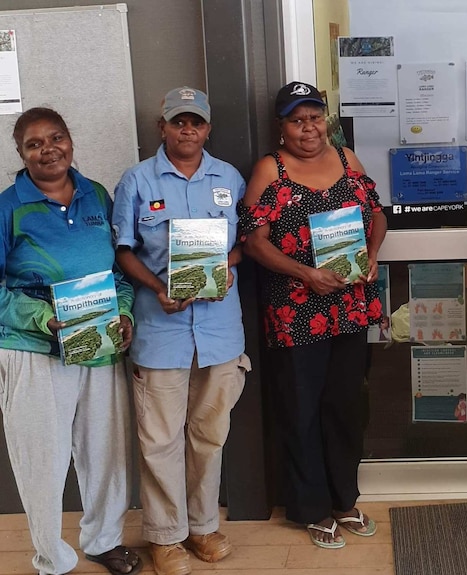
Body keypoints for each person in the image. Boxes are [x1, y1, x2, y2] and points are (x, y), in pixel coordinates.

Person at [240, 81, 386, 549]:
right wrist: (306, 273)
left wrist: (372, 251)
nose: (309, 128)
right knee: (300, 409)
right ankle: (311, 507)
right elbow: (254, 241)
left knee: (345, 407)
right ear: (281, 127)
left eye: (315, 117)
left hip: (348, 306)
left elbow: (376, 214)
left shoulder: (347, 161)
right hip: (297, 311)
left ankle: (344, 500)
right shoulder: (270, 169)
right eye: (297, 120)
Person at [112, 87, 249, 575]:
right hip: (160, 328)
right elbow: (124, 251)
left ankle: (203, 526)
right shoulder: (137, 180)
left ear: (208, 128)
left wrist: (228, 268)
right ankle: (165, 537)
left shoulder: (229, 178)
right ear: (162, 127)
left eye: (196, 122)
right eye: (178, 122)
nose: (187, 130)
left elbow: (244, 244)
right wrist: (155, 287)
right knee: (160, 440)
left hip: (218, 331)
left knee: (209, 436)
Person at [0, 108, 140, 575]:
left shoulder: (95, 195)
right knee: (43, 457)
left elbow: (117, 271)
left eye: (55, 137)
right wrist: (43, 317)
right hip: (33, 348)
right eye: (34, 144)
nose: (48, 149)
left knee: (106, 451)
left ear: (70, 141)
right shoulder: (8, 207)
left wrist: (123, 311)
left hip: (97, 342)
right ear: (20, 154)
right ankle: (51, 558)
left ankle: (103, 540)